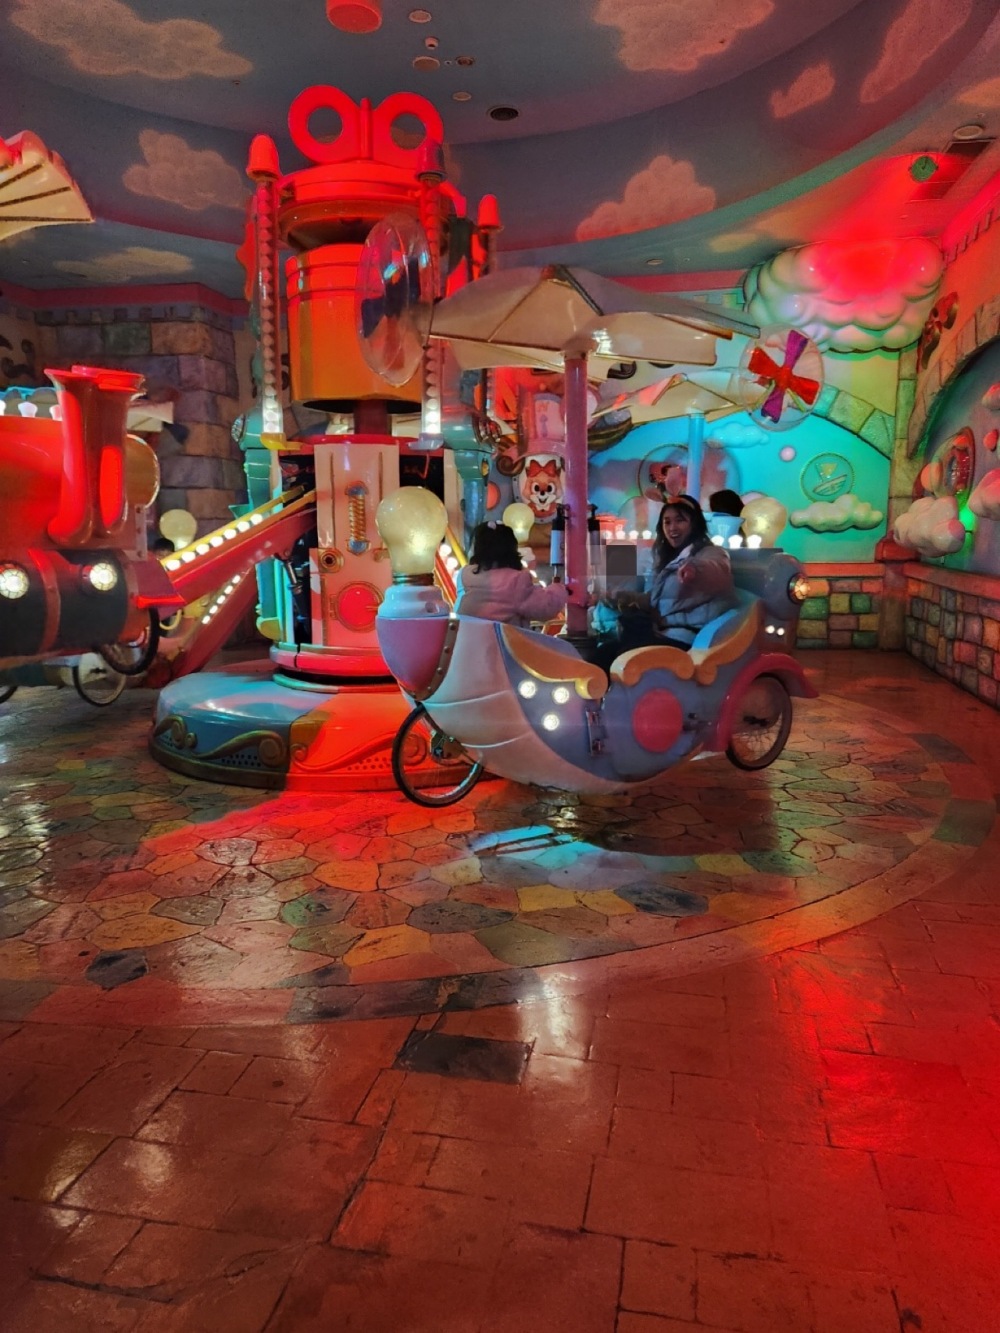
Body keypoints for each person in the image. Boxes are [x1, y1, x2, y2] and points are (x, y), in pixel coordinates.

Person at [592, 494, 738, 666]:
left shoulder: (710, 553)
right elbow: (656, 601)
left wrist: (694, 569)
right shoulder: (665, 559)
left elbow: (716, 568)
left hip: (685, 639)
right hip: (661, 633)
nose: (672, 528)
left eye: (680, 520)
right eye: (667, 522)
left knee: (624, 657)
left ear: (695, 523)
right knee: (602, 655)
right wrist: (623, 598)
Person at [454, 521, 569, 628]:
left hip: (466, 639)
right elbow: (545, 608)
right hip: (502, 641)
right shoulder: (516, 580)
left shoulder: (464, 574)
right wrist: (558, 589)